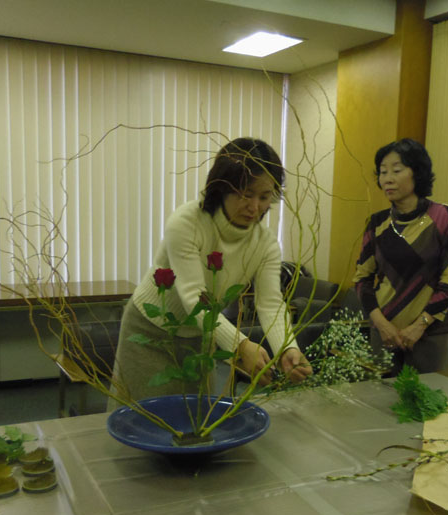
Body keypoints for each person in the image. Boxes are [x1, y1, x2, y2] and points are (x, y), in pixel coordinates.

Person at [111, 137, 312, 403]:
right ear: (222, 187)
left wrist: (288, 348)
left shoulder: (265, 245)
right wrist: (241, 345)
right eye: (246, 194)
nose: (255, 207)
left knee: (196, 417)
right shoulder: (187, 222)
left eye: (264, 197)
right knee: (144, 414)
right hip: (152, 332)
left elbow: (270, 304)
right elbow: (194, 296)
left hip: (201, 334)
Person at [353, 138, 448, 375]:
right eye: (383, 172)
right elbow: (362, 280)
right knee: (381, 395)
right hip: (384, 331)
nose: (387, 178)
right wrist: (381, 324)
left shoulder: (444, 217)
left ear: (417, 173)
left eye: (396, 170)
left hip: (431, 332)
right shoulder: (377, 223)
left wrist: (419, 326)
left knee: (428, 395)